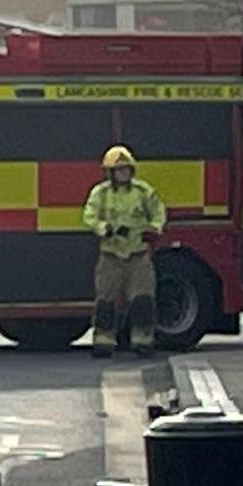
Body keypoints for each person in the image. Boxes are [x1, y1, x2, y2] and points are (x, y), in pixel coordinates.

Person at [83, 145, 165, 358]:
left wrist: (154, 229)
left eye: (126, 169)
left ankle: (143, 342)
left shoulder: (143, 192)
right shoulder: (100, 194)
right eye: (118, 170)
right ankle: (103, 342)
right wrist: (103, 229)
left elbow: (158, 213)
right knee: (105, 301)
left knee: (143, 300)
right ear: (110, 173)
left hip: (138, 255)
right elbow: (89, 216)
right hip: (111, 256)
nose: (123, 173)